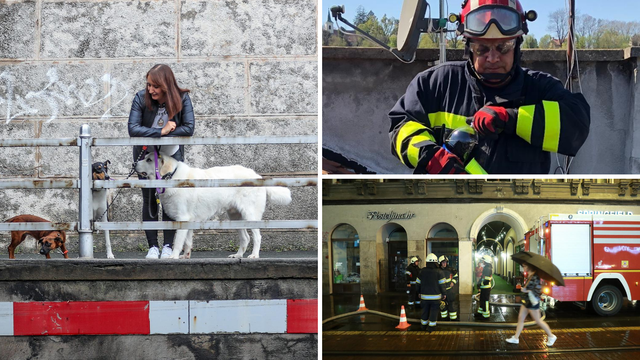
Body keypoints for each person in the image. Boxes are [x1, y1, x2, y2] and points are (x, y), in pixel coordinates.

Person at [389, 0, 590, 174]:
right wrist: (430, 156)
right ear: (468, 48)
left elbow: (577, 125)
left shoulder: (540, 88)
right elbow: (401, 126)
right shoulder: (436, 84)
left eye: (503, 47)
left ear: (517, 45)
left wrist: (512, 118)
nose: (492, 58)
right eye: (481, 48)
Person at [128, 64, 195, 259]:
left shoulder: (182, 98)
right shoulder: (141, 97)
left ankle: (167, 246)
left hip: (172, 156)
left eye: (155, 86)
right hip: (145, 155)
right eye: (148, 85)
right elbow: (133, 128)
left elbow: (189, 128)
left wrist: (169, 132)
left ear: (166, 85)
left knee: (170, 198)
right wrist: (161, 131)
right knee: (149, 198)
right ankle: (152, 247)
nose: (150, 90)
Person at [506, 262, 557, 346]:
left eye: (525, 266)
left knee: (538, 320)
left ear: (530, 266)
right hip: (526, 301)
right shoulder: (530, 276)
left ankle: (551, 336)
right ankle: (515, 338)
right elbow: (529, 288)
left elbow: (538, 290)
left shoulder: (535, 277)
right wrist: (524, 289)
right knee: (520, 318)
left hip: (532, 302)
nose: (523, 267)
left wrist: (526, 290)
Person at [416, 253, 447, 332]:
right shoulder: (439, 272)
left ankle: (423, 326)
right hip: (435, 297)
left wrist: (418, 292)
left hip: (424, 297)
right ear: (436, 262)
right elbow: (442, 285)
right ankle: (431, 328)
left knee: (424, 311)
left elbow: (418, 283)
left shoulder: (422, 271)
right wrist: (444, 294)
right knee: (434, 312)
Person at [438, 255, 459, 320]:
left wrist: (453, 282)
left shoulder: (450, 269)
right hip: (441, 291)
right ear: (440, 263)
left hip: (450, 291)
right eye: (443, 262)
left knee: (452, 304)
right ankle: (444, 318)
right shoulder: (437, 271)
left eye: (446, 262)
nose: (445, 264)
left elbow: (456, 275)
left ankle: (453, 318)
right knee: (443, 306)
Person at [475, 254, 493, 319]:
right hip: (484, 287)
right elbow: (483, 278)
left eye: (483, 261)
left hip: (485, 287)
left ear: (486, 261)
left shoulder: (487, 269)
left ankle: (486, 315)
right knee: (482, 300)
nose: (482, 262)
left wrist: (480, 284)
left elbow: (486, 280)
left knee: (485, 301)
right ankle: (480, 312)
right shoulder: (486, 268)